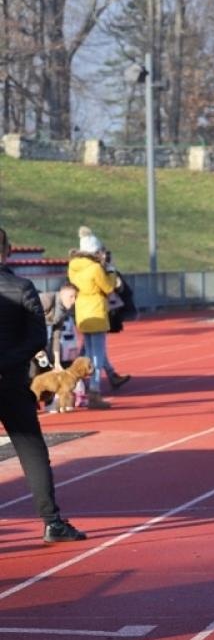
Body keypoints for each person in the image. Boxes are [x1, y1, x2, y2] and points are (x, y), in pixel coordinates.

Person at [0, 227, 89, 545]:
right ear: (8, 251)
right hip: (10, 381)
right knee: (32, 452)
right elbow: (37, 336)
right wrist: (10, 363)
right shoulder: (22, 287)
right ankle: (52, 522)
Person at [66, 232, 120, 408]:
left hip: (82, 311)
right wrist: (110, 271)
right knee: (96, 355)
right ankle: (94, 392)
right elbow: (108, 287)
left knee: (88, 352)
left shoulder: (74, 266)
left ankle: (80, 389)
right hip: (96, 310)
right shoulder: (95, 268)